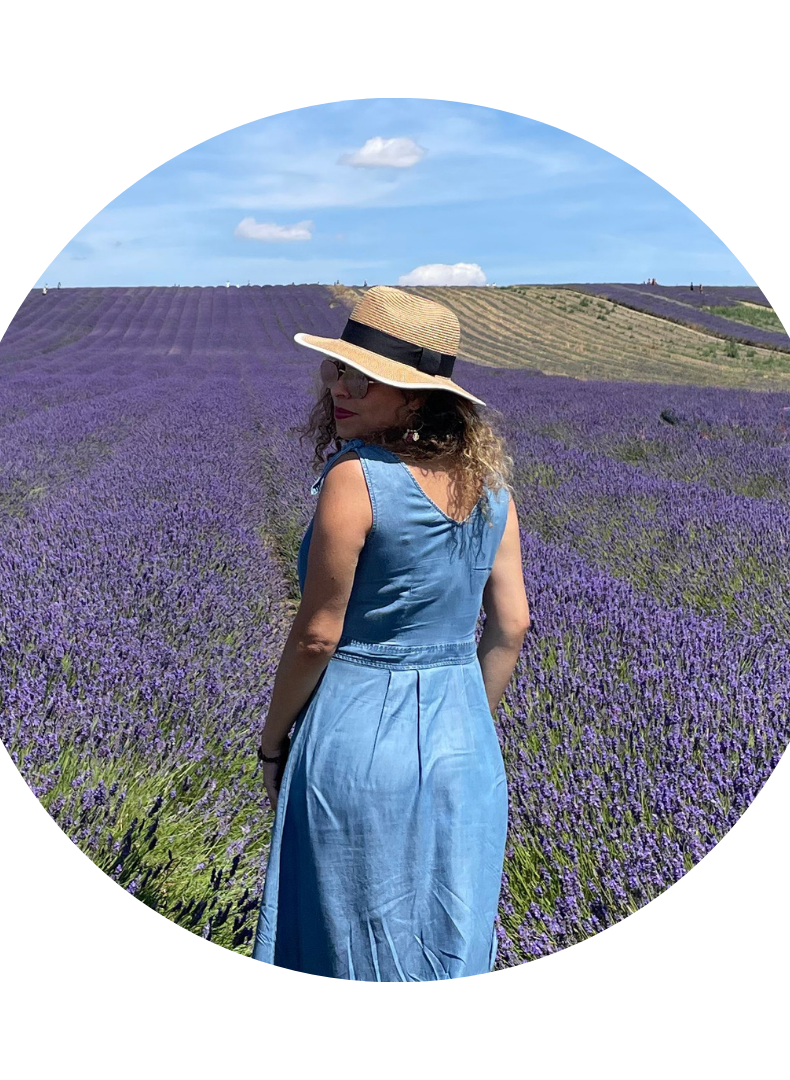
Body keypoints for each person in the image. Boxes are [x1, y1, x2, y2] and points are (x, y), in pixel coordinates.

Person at [251, 285, 531, 980]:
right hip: (463, 748)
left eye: (364, 377)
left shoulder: (355, 477)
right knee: (448, 938)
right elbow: (512, 626)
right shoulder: (492, 491)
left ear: (414, 396)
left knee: (344, 936)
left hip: (356, 730)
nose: (341, 387)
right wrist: (465, 717)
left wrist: (272, 744)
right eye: (338, 370)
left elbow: (317, 634)